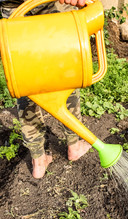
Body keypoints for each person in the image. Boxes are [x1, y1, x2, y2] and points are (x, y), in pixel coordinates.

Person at [0, 0, 91, 179]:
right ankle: (74, 144)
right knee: (65, 70)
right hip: (50, 4)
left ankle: (38, 160)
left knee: (25, 78)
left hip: (14, 6)